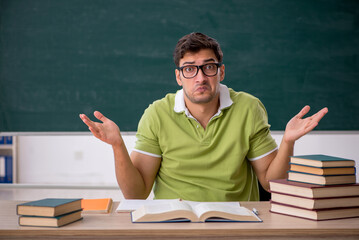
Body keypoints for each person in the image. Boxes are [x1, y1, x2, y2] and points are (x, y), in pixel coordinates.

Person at [79, 32, 328, 201]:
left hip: (238, 223)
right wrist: (117, 146)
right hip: (173, 222)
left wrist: (288, 142)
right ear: (178, 77)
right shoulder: (157, 113)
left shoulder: (249, 108)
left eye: (208, 67)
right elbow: (136, 194)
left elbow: (272, 185)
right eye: (189, 69)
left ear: (221, 72)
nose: (200, 77)